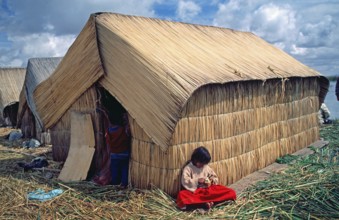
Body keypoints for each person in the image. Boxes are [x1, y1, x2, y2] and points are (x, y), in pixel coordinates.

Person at [106, 112, 131, 188]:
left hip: (114, 155)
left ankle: (115, 183)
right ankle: (124, 184)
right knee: (124, 170)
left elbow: (107, 142)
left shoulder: (109, 131)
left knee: (115, 170)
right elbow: (127, 137)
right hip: (124, 155)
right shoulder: (123, 130)